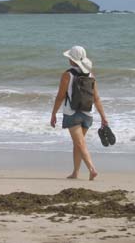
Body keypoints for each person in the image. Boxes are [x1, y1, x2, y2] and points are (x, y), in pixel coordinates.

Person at [50, 46, 108, 181]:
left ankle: (92, 169)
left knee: (80, 143)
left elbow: (60, 96)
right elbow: (96, 98)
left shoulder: (67, 75)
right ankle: (75, 173)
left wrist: (53, 114)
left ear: (72, 60)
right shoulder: (91, 75)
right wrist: (103, 117)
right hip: (88, 113)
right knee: (78, 143)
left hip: (72, 113)